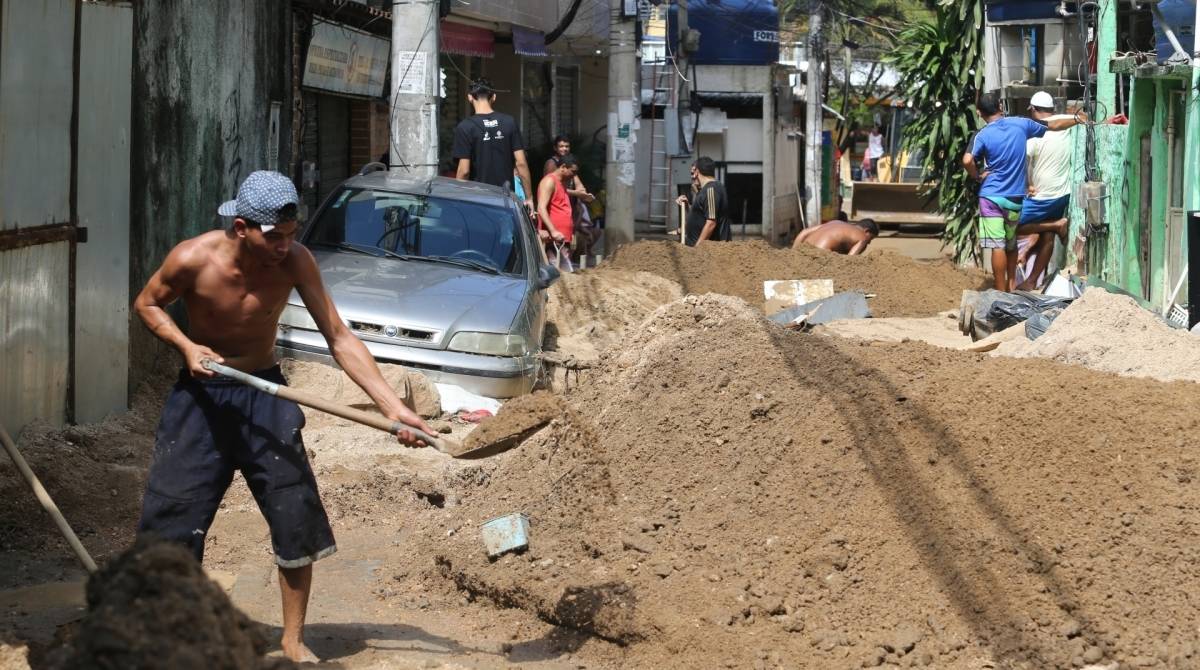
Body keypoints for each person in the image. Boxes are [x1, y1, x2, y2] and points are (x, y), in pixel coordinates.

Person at [132, 171, 434, 664]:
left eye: (291, 235)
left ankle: (293, 638)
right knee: (172, 520)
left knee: (296, 517)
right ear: (241, 227)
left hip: (267, 394)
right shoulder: (192, 258)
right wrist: (186, 345)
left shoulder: (294, 260)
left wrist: (393, 407)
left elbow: (338, 336)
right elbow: (147, 304)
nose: (284, 246)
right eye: (274, 237)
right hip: (201, 399)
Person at [962, 92, 1082, 291]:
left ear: (979, 113)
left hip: (991, 197)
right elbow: (1052, 125)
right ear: (1001, 106)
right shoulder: (1020, 124)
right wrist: (1077, 119)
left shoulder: (981, 135)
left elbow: (967, 160)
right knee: (1010, 243)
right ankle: (1011, 287)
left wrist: (977, 175)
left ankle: (1000, 292)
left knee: (997, 245)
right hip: (1014, 197)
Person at [1015, 90, 1074, 290]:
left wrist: (1026, 184)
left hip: (1043, 198)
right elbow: (1083, 117)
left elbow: (1020, 159)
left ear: (1033, 110)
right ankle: (1031, 281)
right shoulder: (1066, 122)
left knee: (1011, 226)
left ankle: (1058, 225)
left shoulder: (1035, 132)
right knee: (1047, 234)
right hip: (1063, 196)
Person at [451, 78, 534, 214]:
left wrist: (460, 201)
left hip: (478, 201)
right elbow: (521, 163)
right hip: (506, 200)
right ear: (494, 97)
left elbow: (464, 171)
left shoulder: (465, 127)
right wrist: (529, 197)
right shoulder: (509, 122)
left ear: (470, 97)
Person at [542, 135, 597, 261]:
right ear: (555, 148)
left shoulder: (570, 165)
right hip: (555, 210)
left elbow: (580, 187)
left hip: (569, 210)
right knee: (555, 248)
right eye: (561, 146)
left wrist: (583, 195)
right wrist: (577, 194)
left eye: (567, 146)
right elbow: (552, 189)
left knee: (568, 246)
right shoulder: (552, 164)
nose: (564, 149)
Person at [674, 156, 732, 246]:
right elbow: (700, 216)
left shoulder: (711, 189)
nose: (692, 177)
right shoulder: (706, 190)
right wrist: (687, 206)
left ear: (696, 171)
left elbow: (711, 223)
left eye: (692, 173)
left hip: (705, 253)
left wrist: (698, 250)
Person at [537, 153, 578, 270]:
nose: (574, 176)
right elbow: (541, 208)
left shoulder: (561, 183)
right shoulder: (549, 181)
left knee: (566, 278)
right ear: (563, 167)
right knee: (557, 279)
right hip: (552, 242)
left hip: (561, 242)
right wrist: (553, 231)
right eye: (573, 172)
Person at [792, 219, 879, 255]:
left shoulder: (835, 222)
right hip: (820, 255)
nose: (869, 242)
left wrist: (792, 253)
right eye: (871, 238)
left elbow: (804, 232)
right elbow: (850, 260)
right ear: (866, 231)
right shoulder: (862, 238)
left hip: (803, 251)